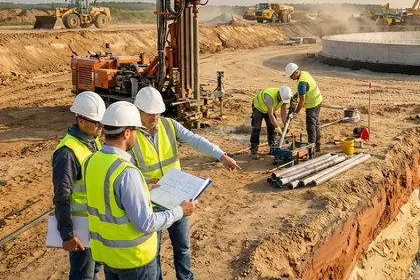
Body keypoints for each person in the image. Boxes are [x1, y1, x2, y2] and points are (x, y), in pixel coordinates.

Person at [131, 86, 240, 280]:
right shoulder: (130, 135)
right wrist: (146, 181)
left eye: (157, 113)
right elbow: (127, 168)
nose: (154, 118)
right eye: (150, 113)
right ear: (138, 110)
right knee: (152, 253)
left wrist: (220, 155)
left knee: (182, 248)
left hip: (177, 199)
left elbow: (194, 140)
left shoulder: (169, 125)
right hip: (151, 202)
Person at [84, 101, 195, 280]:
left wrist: (141, 187)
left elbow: (109, 199)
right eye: (136, 130)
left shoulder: (91, 162)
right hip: (134, 259)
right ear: (127, 132)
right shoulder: (127, 172)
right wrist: (180, 211)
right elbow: (145, 223)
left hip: (108, 257)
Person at [51, 91, 106, 280]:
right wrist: (67, 235)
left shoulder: (93, 142)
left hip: (96, 225)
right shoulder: (67, 153)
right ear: (80, 120)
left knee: (94, 271)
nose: (101, 126)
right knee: (83, 276)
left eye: (101, 121)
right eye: (95, 121)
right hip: (80, 229)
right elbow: (62, 196)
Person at [284, 63, 323, 150]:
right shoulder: (304, 73)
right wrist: (297, 94)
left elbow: (302, 100)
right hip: (318, 100)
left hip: (312, 105)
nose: (291, 78)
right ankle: (318, 145)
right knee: (316, 124)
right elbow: (305, 89)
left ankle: (311, 147)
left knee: (311, 126)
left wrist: (295, 113)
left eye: (291, 76)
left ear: (295, 73)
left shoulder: (301, 84)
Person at [249, 86, 293, 158]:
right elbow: (271, 115)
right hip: (258, 108)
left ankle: (273, 147)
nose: (282, 100)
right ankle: (254, 149)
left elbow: (283, 114)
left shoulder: (284, 98)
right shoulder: (269, 96)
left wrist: (286, 124)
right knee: (256, 128)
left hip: (269, 110)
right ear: (279, 94)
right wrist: (277, 127)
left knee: (271, 128)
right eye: (281, 99)